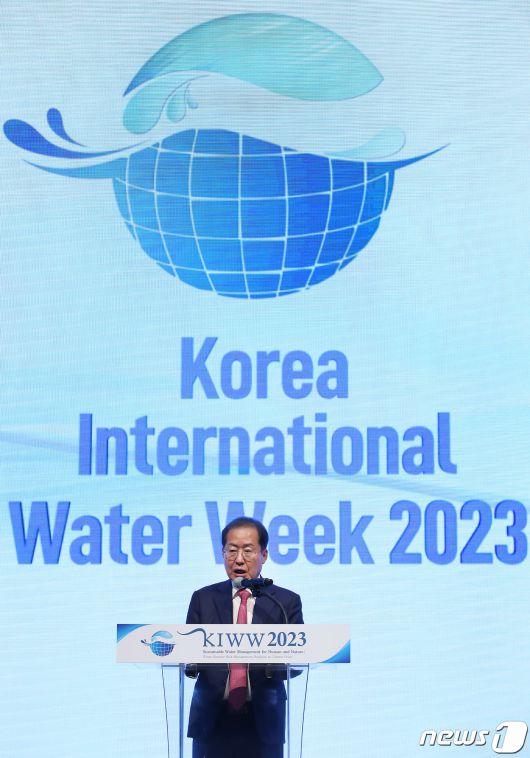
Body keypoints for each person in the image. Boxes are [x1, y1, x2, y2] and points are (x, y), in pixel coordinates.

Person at [186, 517, 304, 758]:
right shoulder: (203, 598)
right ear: (222, 554)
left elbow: (297, 661)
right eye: (231, 551)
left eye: (248, 551)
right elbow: (189, 658)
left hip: (265, 718)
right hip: (211, 719)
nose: (239, 559)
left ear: (264, 555)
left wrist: (268, 662)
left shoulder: (285, 602)